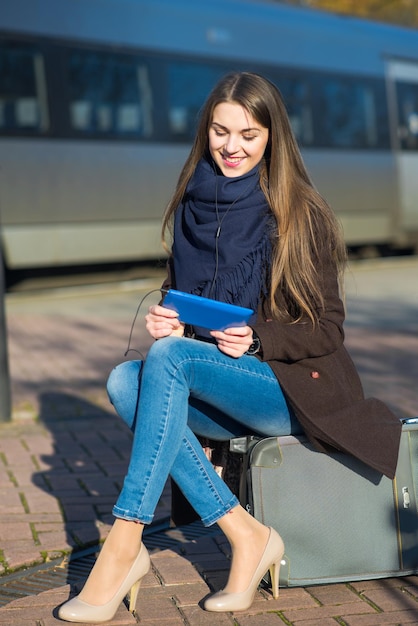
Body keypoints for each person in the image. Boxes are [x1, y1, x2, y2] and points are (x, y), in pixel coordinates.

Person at [58, 72, 401, 622]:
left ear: (272, 138)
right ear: (205, 131)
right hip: (223, 378)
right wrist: (173, 323)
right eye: (221, 131)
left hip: (289, 386)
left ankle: (124, 545)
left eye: (249, 134)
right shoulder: (192, 205)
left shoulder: (298, 212)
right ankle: (246, 535)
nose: (232, 147)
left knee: (163, 364)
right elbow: (191, 312)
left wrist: (259, 337)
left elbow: (328, 328)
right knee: (125, 380)